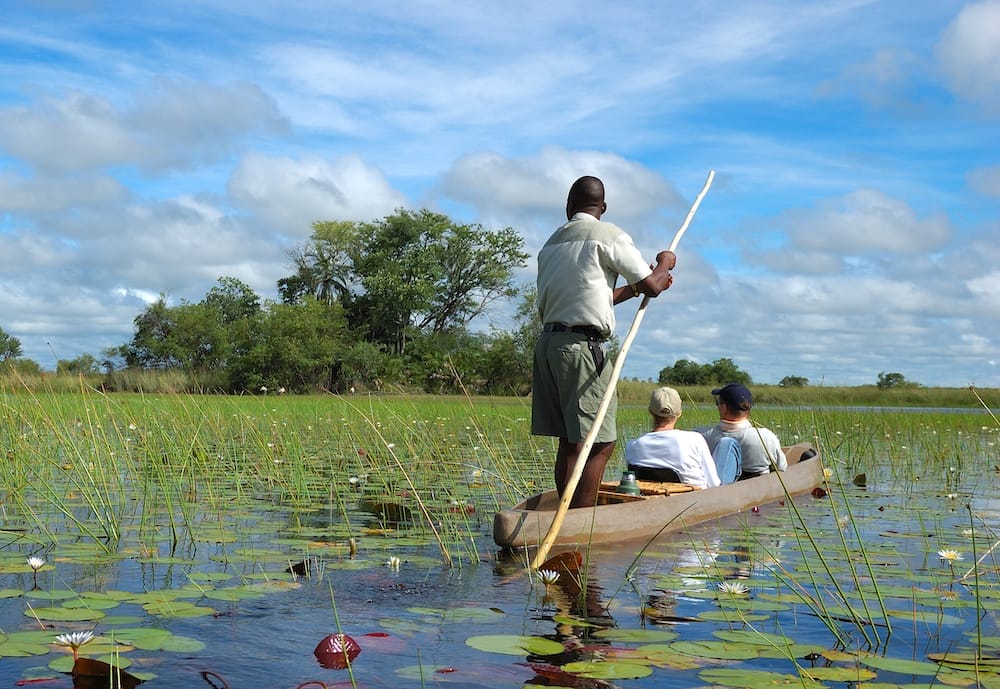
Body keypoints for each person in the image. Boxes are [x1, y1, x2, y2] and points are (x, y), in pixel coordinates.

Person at [532, 175, 676, 508]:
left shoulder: (551, 243)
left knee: (570, 441)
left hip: (549, 347)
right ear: (603, 207)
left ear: (569, 206)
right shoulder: (607, 234)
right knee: (599, 442)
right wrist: (665, 262)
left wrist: (639, 287)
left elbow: (596, 297)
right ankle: (580, 519)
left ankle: (566, 514)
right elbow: (654, 284)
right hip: (582, 349)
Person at [624, 387, 721, 488]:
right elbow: (713, 483)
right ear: (679, 413)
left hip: (653, 498)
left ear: (650, 411)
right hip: (695, 498)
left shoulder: (632, 446)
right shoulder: (695, 439)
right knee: (728, 444)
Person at [698, 383, 787, 479]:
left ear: (724, 408)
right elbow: (781, 469)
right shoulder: (766, 437)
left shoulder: (700, 435)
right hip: (760, 489)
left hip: (717, 490)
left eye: (717, 403)